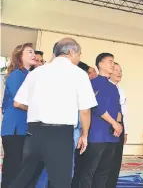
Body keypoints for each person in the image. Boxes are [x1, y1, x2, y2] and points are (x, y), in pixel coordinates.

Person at [10, 38, 97, 188]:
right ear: (71, 52)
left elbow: (18, 102)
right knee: (60, 181)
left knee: (24, 179)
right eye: (79, 54)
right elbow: (85, 110)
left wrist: (40, 108)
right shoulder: (78, 74)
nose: (79, 58)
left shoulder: (37, 72)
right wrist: (84, 135)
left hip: (34, 133)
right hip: (60, 134)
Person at [77, 53, 123, 188]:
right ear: (100, 64)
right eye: (110, 61)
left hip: (112, 136)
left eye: (113, 62)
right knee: (89, 171)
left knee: (104, 171)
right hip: (96, 135)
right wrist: (114, 123)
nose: (112, 65)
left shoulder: (114, 87)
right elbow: (96, 107)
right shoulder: (93, 83)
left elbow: (118, 108)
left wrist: (118, 125)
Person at [1, 43, 36, 188]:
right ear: (19, 56)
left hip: (24, 129)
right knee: (12, 169)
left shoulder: (30, 76)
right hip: (14, 129)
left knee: (21, 169)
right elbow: (18, 102)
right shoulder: (16, 74)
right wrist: (38, 110)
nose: (33, 54)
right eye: (29, 52)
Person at [106, 63, 128, 188]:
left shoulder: (121, 90)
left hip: (120, 125)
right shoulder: (106, 87)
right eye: (116, 70)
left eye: (121, 71)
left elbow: (125, 113)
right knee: (106, 160)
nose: (119, 73)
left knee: (116, 160)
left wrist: (125, 131)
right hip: (109, 126)